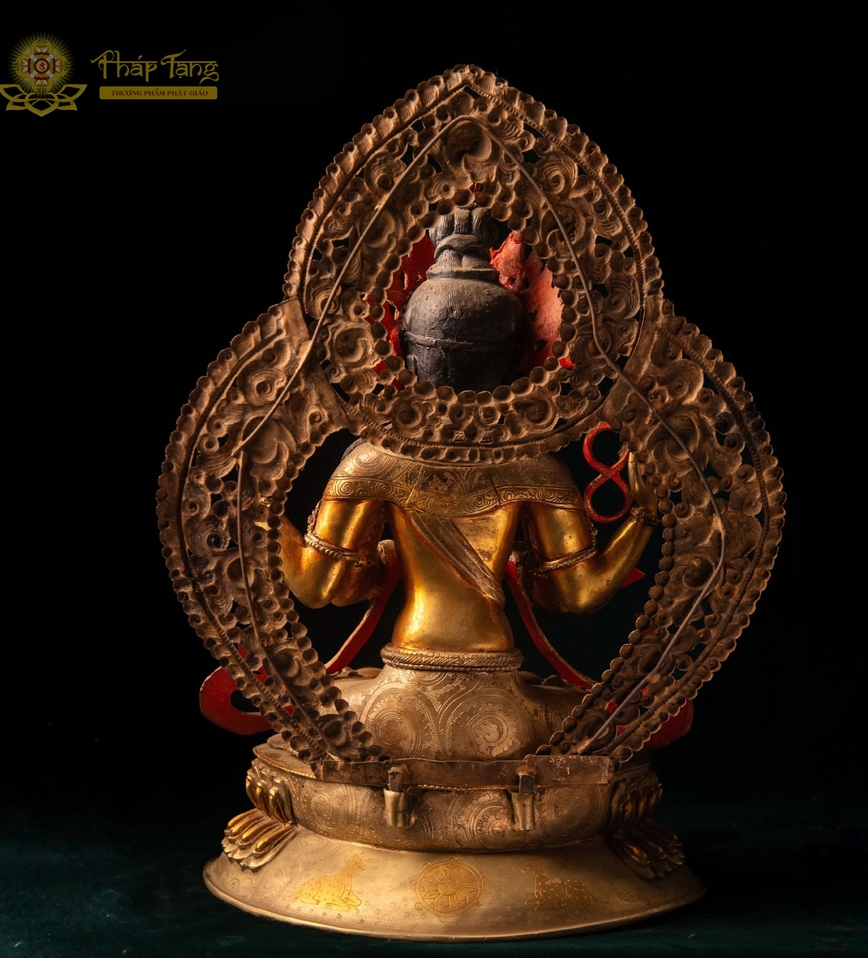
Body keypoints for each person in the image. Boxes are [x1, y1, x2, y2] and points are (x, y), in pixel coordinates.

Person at [275, 209, 660, 761]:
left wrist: (263, 511)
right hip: (503, 702)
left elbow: (316, 587)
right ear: (520, 357)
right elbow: (575, 594)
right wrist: (642, 515)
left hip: (395, 699)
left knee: (320, 719)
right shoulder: (535, 468)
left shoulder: (373, 463)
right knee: (585, 730)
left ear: (404, 350)